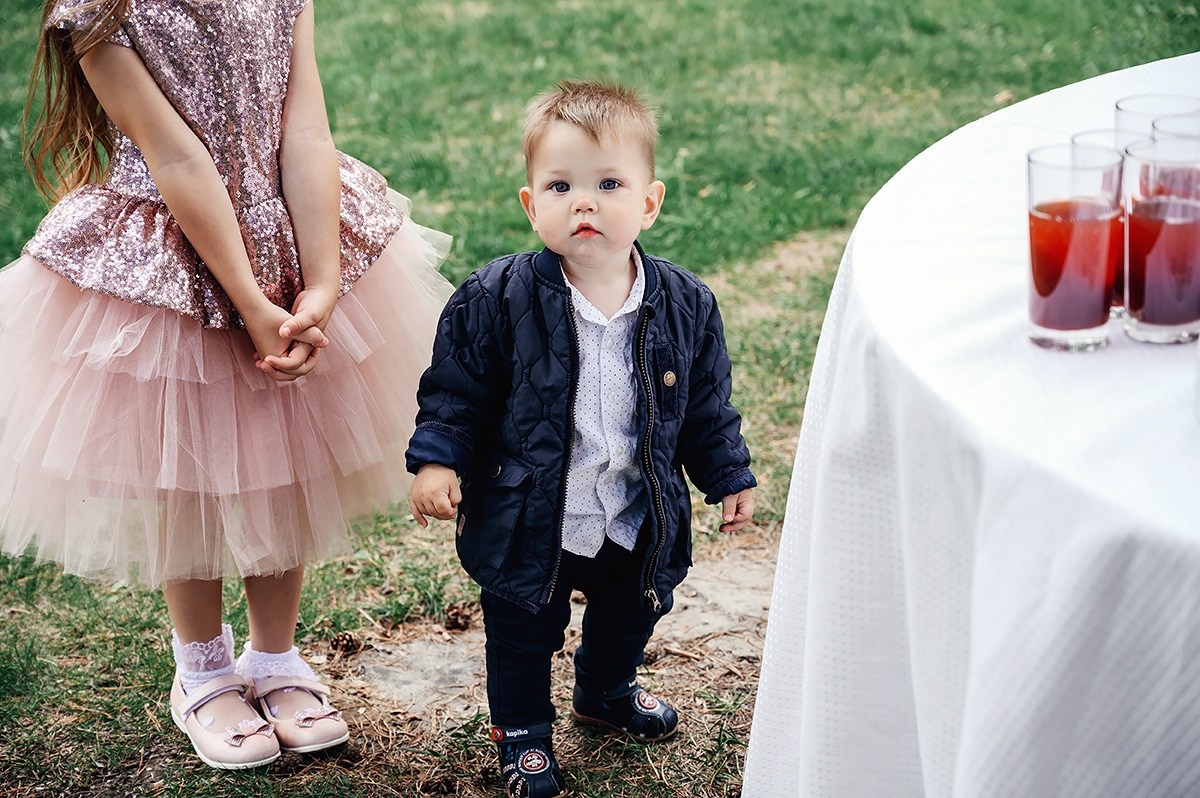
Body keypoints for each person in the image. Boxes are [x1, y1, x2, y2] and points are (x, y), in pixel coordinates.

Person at [0, 0, 452, 770]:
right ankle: (203, 671)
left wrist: (322, 283)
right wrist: (248, 300)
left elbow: (304, 131)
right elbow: (173, 157)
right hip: (173, 258)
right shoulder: (98, 13)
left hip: (288, 230)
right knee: (190, 467)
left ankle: (275, 660)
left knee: (282, 449)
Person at [406, 80, 756, 798]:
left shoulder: (685, 305)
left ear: (649, 203)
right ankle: (525, 734)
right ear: (533, 205)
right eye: (561, 185)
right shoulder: (496, 299)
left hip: (634, 510)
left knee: (633, 612)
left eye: (608, 184)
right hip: (531, 516)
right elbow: (457, 392)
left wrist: (728, 475)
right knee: (521, 632)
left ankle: (605, 691)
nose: (584, 202)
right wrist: (439, 461)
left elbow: (704, 408)